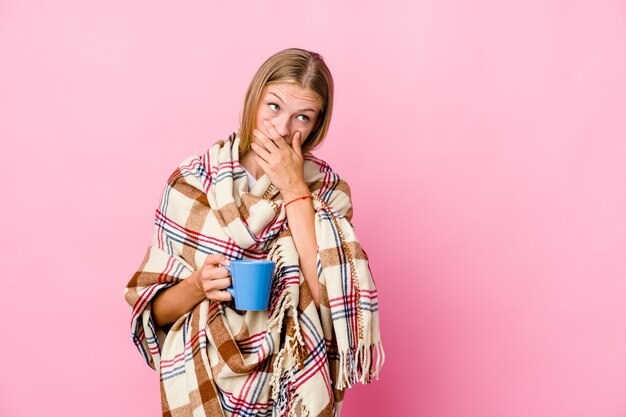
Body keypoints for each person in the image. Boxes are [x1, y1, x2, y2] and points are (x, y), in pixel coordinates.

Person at [125, 48, 384, 417]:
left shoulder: (327, 191)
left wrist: (295, 189)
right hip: (203, 381)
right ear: (254, 100)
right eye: (274, 107)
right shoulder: (192, 182)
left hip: (288, 387)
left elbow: (333, 300)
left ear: (316, 126)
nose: (282, 128)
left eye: (302, 117)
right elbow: (153, 315)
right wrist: (198, 286)